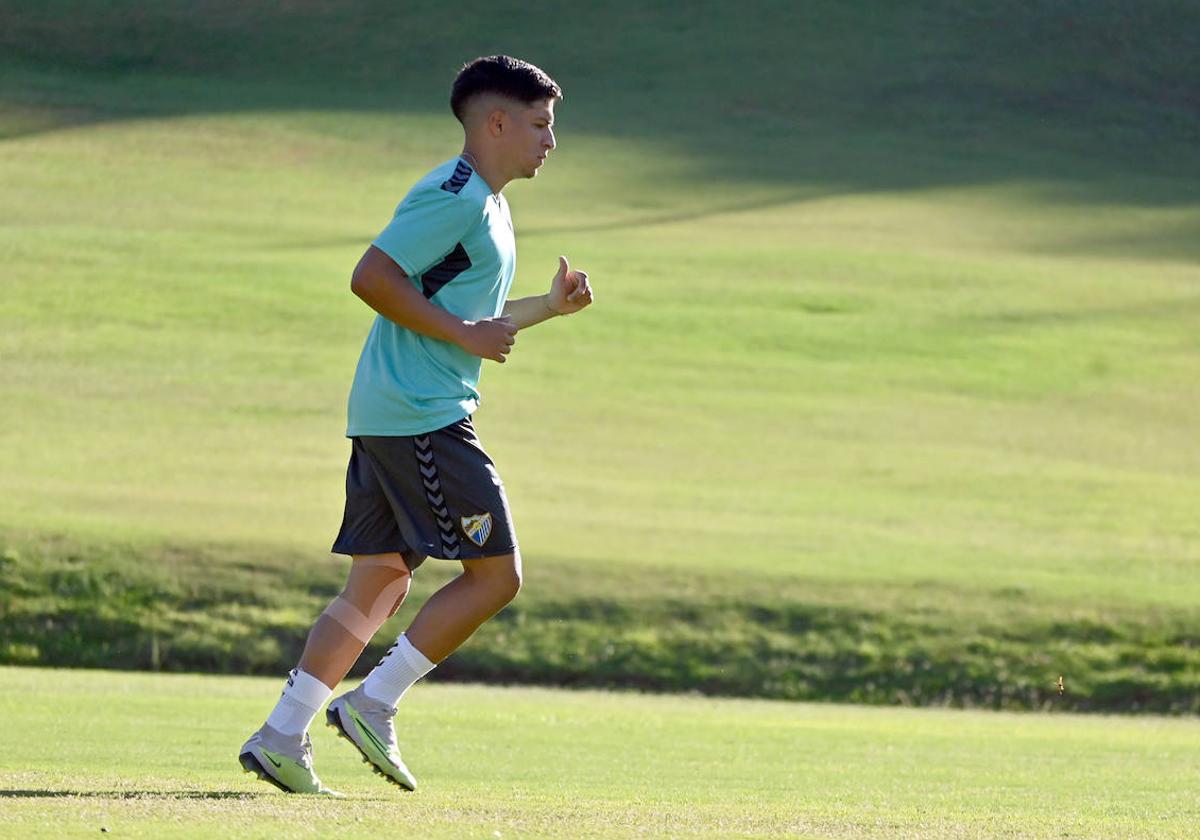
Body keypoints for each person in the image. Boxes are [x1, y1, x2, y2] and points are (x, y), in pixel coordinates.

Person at [238, 55, 592, 795]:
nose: (549, 142)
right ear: (496, 122)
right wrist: (464, 337)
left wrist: (547, 310)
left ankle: (281, 735)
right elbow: (371, 277)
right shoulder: (456, 194)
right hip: (421, 416)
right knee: (496, 576)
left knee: (380, 581)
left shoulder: (487, 204)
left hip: (392, 409)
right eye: (539, 125)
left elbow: (467, 317)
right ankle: (374, 701)